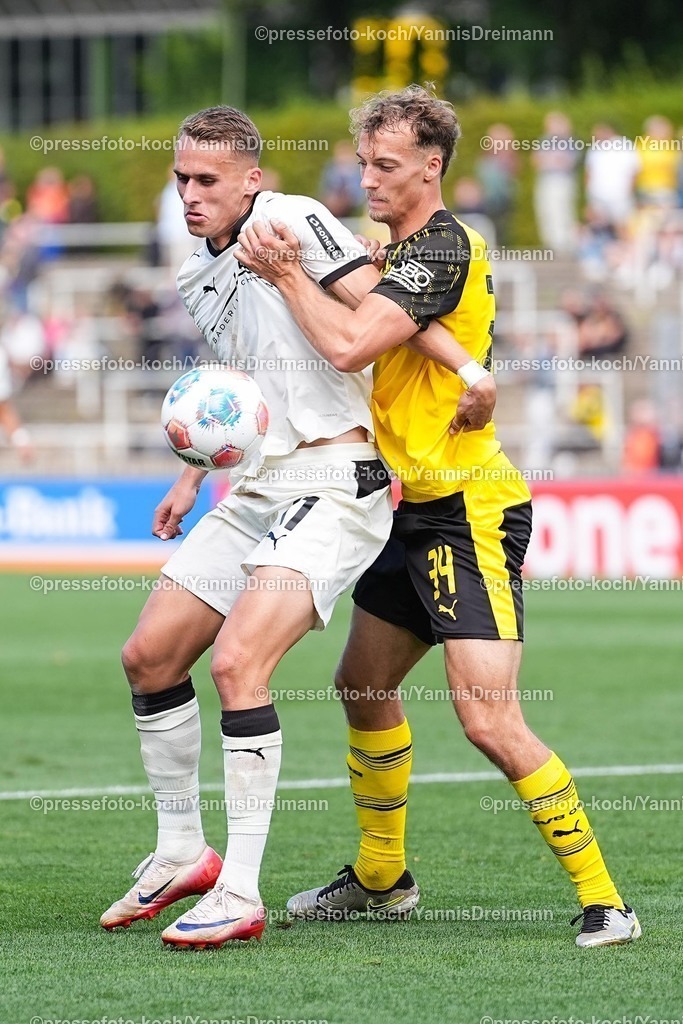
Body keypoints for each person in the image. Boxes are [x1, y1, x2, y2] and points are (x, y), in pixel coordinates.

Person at [236, 84, 640, 948]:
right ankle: (382, 877)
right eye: (362, 162)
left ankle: (607, 900)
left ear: (431, 166)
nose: (367, 179)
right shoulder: (398, 250)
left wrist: (285, 273)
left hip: (468, 510)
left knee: (488, 719)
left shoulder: (444, 247)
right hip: (410, 507)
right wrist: (470, 369)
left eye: (385, 165)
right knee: (361, 685)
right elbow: (382, 336)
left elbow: (350, 344)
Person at [99, 104, 495, 950]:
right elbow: (243, 378)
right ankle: (182, 851)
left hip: (334, 477)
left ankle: (239, 891)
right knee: (149, 656)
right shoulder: (194, 272)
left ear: (251, 179)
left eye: (208, 180)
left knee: (238, 664)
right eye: (181, 179)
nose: (191, 194)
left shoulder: (291, 220)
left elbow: (371, 310)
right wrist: (191, 473)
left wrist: (470, 369)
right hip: (254, 483)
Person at [532, 111, 580, 255]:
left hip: (562, 180)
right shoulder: (544, 140)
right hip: (546, 179)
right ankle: (551, 243)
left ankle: (565, 244)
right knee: (546, 211)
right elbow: (536, 160)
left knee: (563, 211)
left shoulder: (569, 142)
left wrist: (549, 161)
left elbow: (567, 162)